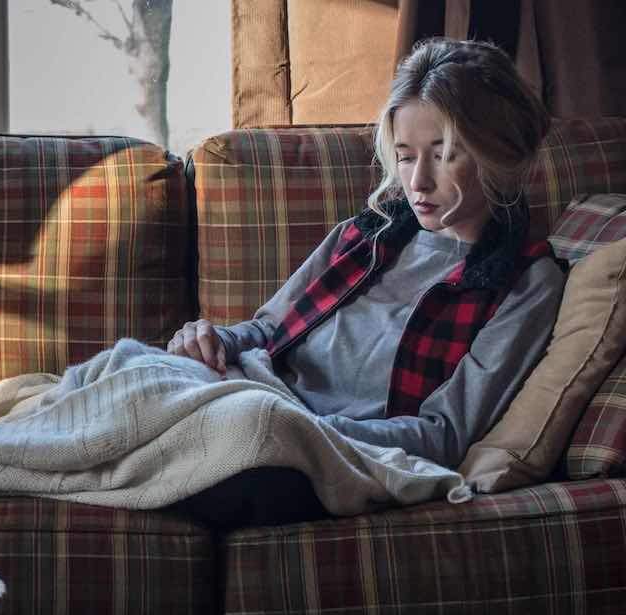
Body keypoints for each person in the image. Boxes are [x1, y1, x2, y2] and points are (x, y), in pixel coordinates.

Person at [166, 38, 564, 527]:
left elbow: (442, 433)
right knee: (125, 371)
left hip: (323, 454)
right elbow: (266, 331)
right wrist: (209, 340)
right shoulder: (366, 234)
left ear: (499, 153)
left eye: (444, 155)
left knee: (218, 466)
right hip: (249, 397)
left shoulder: (524, 282)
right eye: (404, 155)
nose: (417, 181)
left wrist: (304, 433)